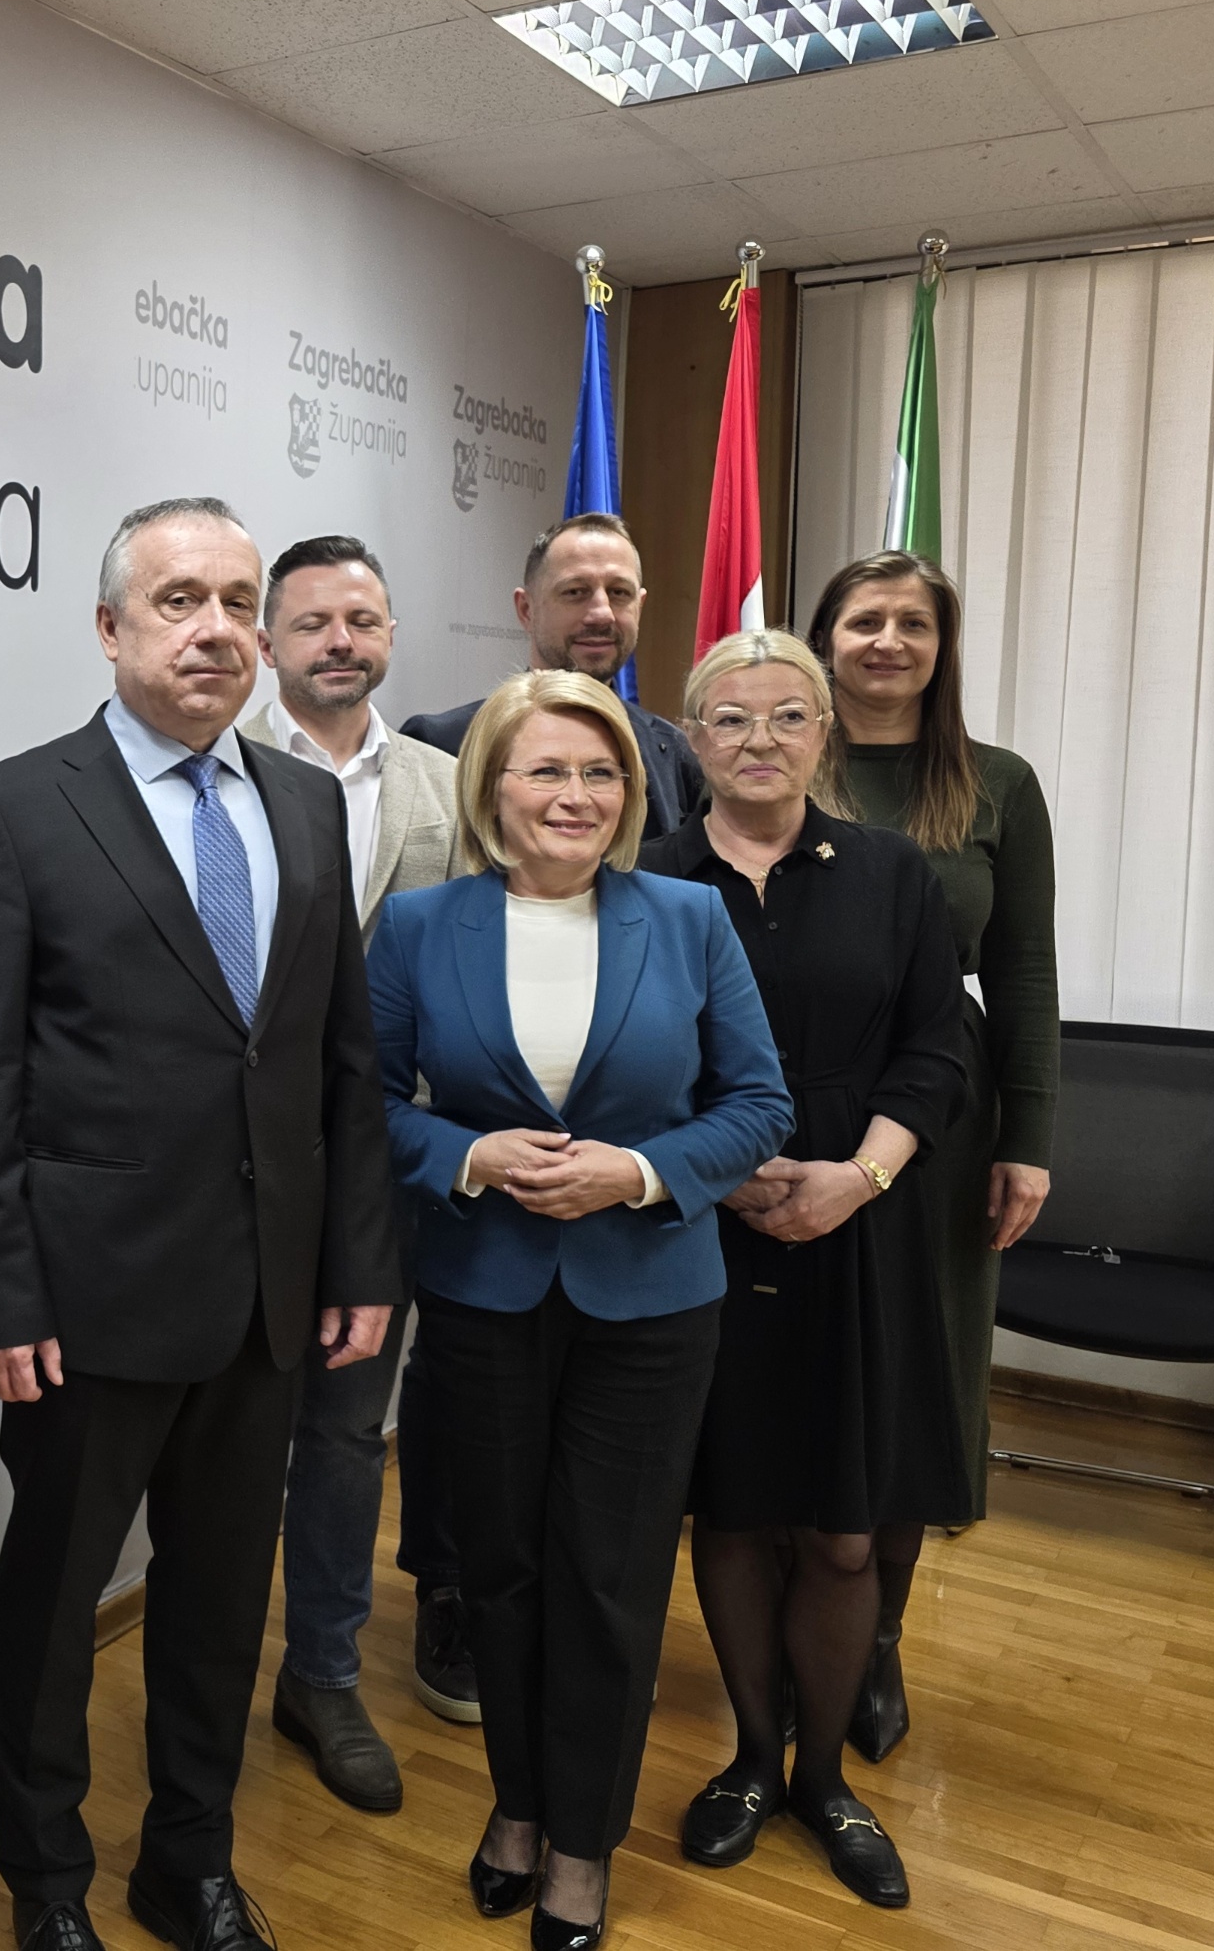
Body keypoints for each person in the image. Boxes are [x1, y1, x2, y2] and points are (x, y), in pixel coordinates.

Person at [0, 497, 398, 1951]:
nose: (215, 630)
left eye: (238, 602)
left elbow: (340, 1059)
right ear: (109, 626)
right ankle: (48, 1883)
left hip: (267, 1298)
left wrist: (360, 1257)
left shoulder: (305, 803)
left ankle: (187, 1861)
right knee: (57, 1606)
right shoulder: (13, 806)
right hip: (86, 1305)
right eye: (178, 599)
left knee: (219, 1602)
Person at [367, 671, 788, 1951]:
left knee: (609, 1581)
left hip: (651, 1302)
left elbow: (759, 1106)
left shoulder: (690, 916)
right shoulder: (420, 927)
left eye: (601, 773)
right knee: (498, 1571)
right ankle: (516, 1805)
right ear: (492, 786)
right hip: (484, 1293)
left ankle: (582, 1848)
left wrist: (641, 1171)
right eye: (546, 770)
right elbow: (365, 1104)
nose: (576, 795)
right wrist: (468, 1156)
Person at [643, 630, 974, 1909]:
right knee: (732, 1512)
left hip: (861, 1221)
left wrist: (859, 1177)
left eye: (789, 716)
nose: (761, 741)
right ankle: (747, 1758)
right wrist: (716, 1170)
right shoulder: (649, 876)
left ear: (825, 736)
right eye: (731, 720)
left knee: (842, 1531)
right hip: (700, 1226)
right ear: (693, 741)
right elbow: (621, 1057)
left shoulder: (894, 874)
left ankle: (825, 1779)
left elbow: (937, 1049)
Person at [806, 552, 1057, 1762]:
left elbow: (1025, 973)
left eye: (915, 622)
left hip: (946, 1117)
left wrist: (1032, 1140)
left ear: (942, 647)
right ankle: (798, 1623)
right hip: (797, 1100)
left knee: (919, 1370)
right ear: (826, 636)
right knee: (802, 1368)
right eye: (866, 619)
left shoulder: (996, 783)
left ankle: (877, 1640)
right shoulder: (785, 754)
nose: (889, 641)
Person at [239, 535, 458, 1812]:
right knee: (217, 1437)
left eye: (362, 621)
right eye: (313, 621)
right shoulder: (207, 764)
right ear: (268, 640)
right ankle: (206, 1666)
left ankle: (320, 1674)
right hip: (229, 1176)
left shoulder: (449, 788)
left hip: (387, 1178)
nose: (340, 641)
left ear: (388, 638)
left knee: (341, 1437)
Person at [400, 513, 703, 844]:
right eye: (575, 592)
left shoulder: (676, 754)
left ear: (639, 606)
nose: (602, 613)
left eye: (619, 592)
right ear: (526, 610)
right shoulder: (440, 746)